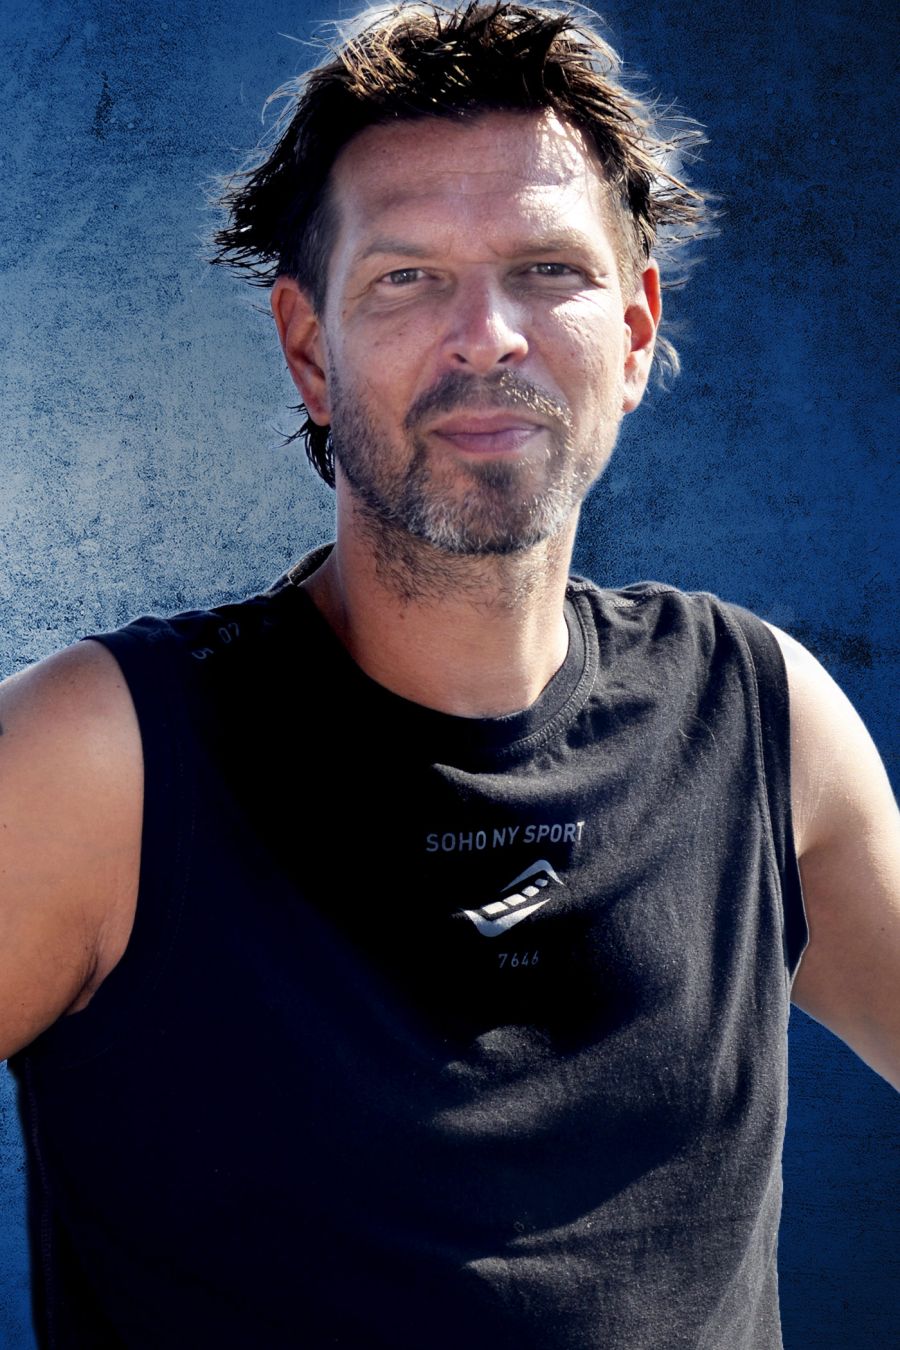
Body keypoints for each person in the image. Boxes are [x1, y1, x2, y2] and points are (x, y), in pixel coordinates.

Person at [2, 3, 897, 1346]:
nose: (488, 334)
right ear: (310, 350)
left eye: (548, 268)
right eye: (408, 277)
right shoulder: (106, 761)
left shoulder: (758, 715)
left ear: (636, 332)